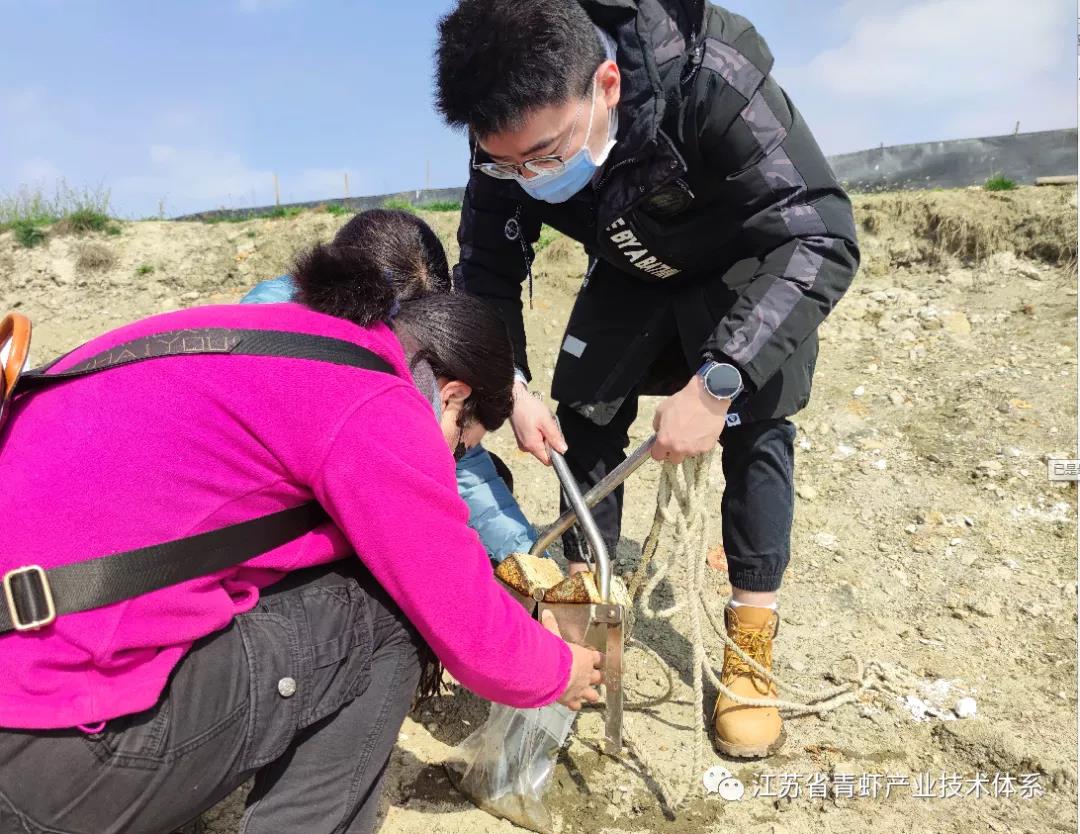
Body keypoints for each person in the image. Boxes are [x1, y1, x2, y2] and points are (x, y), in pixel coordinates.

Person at [0, 235, 603, 833]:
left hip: (25, 656)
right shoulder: (377, 404)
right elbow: (468, 628)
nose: (446, 464)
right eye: (460, 447)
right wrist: (560, 670)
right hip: (50, 749)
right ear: (452, 395)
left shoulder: (276, 336)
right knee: (389, 611)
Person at [435, 0, 860, 757]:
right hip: (632, 260)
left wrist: (718, 381)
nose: (529, 177)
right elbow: (489, 267)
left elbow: (820, 232)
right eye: (508, 164)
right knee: (586, 408)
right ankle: (585, 614)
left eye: (546, 155)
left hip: (746, 263)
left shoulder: (713, 80)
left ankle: (750, 643)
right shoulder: (506, 134)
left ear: (606, 84)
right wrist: (511, 388)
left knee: (758, 425)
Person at [242, 208, 539, 564]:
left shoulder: (406, 344)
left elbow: (456, 453)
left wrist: (528, 558)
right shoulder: (282, 340)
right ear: (354, 298)